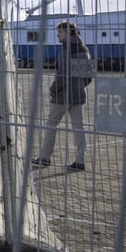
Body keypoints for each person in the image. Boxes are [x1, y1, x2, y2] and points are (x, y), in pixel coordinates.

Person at [32, 21, 93, 171]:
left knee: (51, 125)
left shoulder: (66, 51)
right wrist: (79, 86)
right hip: (79, 95)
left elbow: (61, 77)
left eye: (59, 32)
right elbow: (89, 76)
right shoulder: (84, 50)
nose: (58, 35)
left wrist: (53, 90)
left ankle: (45, 157)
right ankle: (80, 160)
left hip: (62, 96)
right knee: (79, 127)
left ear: (67, 32)